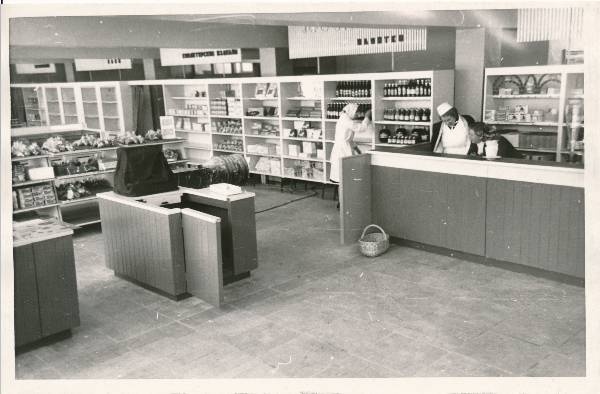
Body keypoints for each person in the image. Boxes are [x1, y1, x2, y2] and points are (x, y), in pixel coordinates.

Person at [329, 103, 365, 183]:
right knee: (343, 176)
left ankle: (344, 194)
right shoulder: (346, 120)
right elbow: (360, 128)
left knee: (344, 175)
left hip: (342, 148)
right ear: (351, 111)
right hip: (342, 150)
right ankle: (343, 194)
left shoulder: (345, 118)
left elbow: (349, 138)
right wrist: (367, 119)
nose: (357, 115)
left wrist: (356, 148)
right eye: (356, 112)